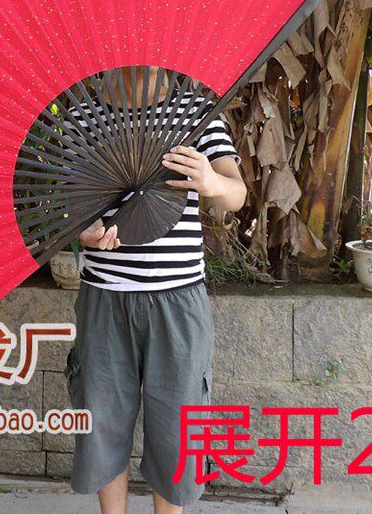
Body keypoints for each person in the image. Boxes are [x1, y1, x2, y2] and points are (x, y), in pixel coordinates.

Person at [63, 66, 247, 514]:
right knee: (102, 421)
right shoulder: (82, 117)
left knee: (178, 428)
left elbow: (236, 194)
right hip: (104, 296)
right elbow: (70, 205)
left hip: (178, 299)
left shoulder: (197, 113)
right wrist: (82, 230)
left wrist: (211, 181)